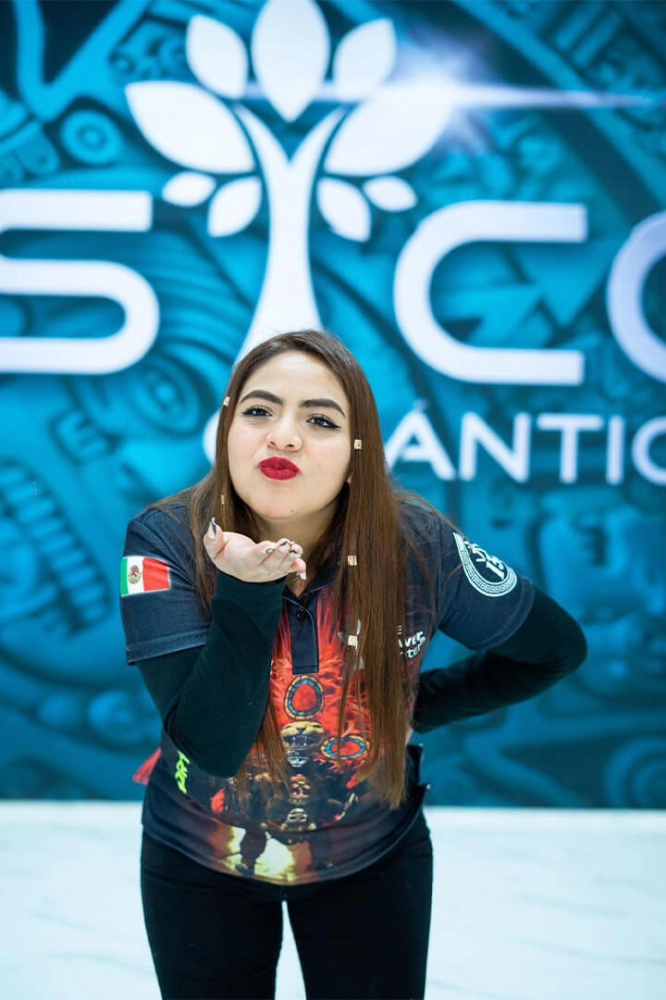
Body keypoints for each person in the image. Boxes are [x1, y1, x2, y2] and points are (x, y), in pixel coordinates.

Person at [120, 329, 586, 1000]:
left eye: (320, 420)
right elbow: (214, 747)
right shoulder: (165, 539)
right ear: (226, 430)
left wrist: (405, 708)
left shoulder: (417, 546)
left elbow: (555, 649)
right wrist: (249, 586)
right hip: (200, 855)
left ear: (356, 453)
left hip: (372, 857)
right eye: (259, 410)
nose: (283, 436)